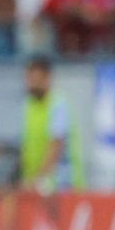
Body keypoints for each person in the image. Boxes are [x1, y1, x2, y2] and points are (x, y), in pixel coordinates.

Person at [20, 55, 84, 193]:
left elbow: (56, 146)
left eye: (36, 80)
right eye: (30, 79)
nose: (31, 84)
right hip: (39, 187)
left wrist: (38, 179)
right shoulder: (29, 105)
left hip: (63, 185)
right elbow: (27, 146)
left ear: (47, 78)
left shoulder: (57, 105)